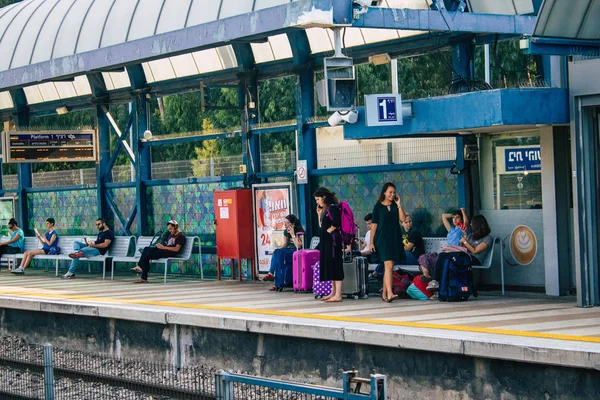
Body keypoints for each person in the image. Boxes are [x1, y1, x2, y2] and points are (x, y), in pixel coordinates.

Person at [426, 215, 493, 291]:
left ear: (477, 225)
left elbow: (475, 251)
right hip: (464, 256)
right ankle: (436, 282)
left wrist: (464, 241)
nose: (470, 225)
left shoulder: (487, 238)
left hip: (474, 259)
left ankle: (444, 287)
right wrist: (464, 235)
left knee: (450, 261)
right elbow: (463, 247)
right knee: (442, 255)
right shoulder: (471, 236)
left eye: (472, 223)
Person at [370, 182, 406, 303]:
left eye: (394, 192)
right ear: (384, 192)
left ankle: (385, 293)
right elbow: (374, 226)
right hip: (382, 238)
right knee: (389, 265)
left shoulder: (396, 206)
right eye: (390, 192)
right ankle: (390, 293)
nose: (392, 194)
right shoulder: (378, 207)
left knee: (388, 267)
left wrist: (399, 204)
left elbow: (403, 219)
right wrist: (371, 243)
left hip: (394, 237)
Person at [418, 208, 470, 278]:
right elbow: (443, 216)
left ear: (461, 219)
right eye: (453, 218)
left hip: (454, 255)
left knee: (442, 261)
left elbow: (466, 222)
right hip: (445, 253)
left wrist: (463, 211)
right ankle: (426, 275)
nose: (454, 219)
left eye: (457, 218)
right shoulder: (451, 230)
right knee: (423, 257)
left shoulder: (462, 229)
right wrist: (454, 215)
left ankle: (434, 279)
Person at [313, 187, 344, 302]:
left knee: (336, 266)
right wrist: (319, 214)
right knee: (331, 266)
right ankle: (333, 292)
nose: (317, 202)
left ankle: (338, 294)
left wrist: (331, 229)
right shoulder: (326, 210)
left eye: (318, 199)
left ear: (324, 197)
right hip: (326, 242)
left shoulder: (332, 208)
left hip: (333, 243)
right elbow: (322, 226)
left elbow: (337, 222)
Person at [263, 214, 305, 289]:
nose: (285, 225)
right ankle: (274, 278)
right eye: (284, 223)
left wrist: (293, 235)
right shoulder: (286, 232)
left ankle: (275, 281)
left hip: (296, 251)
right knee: (277, 253)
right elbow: (285, 245)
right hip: (288, 250)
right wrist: (278, 250)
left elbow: (299, 246)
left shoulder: (300, 232)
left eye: (287, 223)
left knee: (279, 256)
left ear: (293, 224)